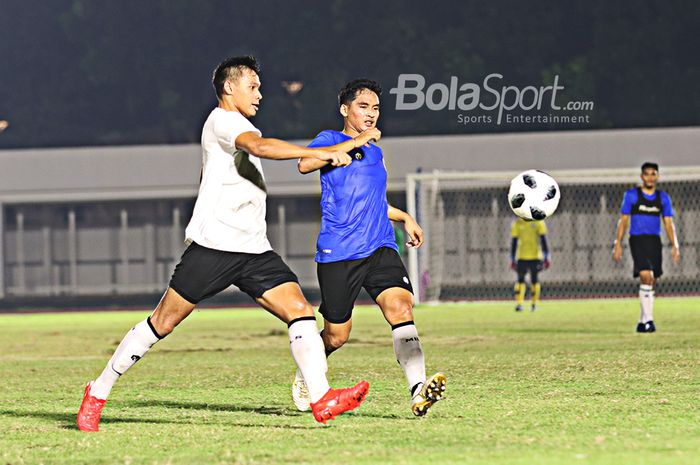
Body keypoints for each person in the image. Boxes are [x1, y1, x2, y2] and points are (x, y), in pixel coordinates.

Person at [76, 56, 370, 432]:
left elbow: (215, 169)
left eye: (260, 87)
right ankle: (97, 392)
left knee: (300, 311)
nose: (260, 94)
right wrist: (320, 152)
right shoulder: (223, 121)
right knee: (161, 323)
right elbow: (261, 148)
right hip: (214, 247)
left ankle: (321, 397)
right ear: (230, 87)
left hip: (254, 250)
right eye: (254, 86)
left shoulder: (235, 126)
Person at [292, 79, 446, 417]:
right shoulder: (330, 140)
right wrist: (358, 140)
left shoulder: (375, 153)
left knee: (401, 309)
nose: (371, 114)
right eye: (364, 106)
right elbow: (304, 164)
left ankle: (417, 390)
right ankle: (311, 371)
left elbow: (374, 201)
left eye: (376, 108)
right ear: (345, 110)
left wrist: (405, 216)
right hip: (340, 251)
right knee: (336, 336)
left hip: (379, 245)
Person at [613, 162, 680, 333]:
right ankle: (650, 321)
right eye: (647, 174)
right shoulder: (632, 196)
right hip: (637, 240)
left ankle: (643, 321)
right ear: (642, 176)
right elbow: (624, 220)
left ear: (657, 176)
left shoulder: (662, 198)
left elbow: (668, 223)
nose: (650, 177)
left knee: (652, 280)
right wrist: (618, 243)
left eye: (653, 174)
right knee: (645, 275)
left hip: (654, 241)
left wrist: (674, 245)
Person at [510, 218, 550, 312]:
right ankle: (519, 304)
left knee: (534, 279)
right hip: (521, 256)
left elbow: (543, 240)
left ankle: (533, 304)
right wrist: (512, 258)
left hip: (535, 256)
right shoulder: (517, 223)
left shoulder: (538, 222)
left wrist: (546, 257)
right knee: (520, 279)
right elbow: (514, 242)